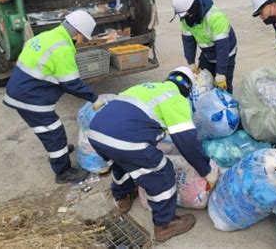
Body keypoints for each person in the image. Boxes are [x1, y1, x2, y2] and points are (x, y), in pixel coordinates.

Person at [87, 67, 219, 242]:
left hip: (96, 132)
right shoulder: (176, 99)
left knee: (122, 161)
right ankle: (165, 224)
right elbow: (187, 141)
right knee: (162, 172)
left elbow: (134, 117)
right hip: (123, 138)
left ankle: (123, 198)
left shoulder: (147, 87)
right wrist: (205, 169)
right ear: (187, 89)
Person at [3, 10, 100, 184]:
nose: (81, 42)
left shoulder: (47, 36)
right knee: (54, 133)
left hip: (21, 89)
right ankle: (63, 171)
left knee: (51, 131)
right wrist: (94, 98)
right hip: (30, 98)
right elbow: (72, 84)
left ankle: (60, 152)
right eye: (83, 38)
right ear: (77, 33)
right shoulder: (62, 48)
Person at [171, 0, 237, 93]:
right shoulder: (186, 19)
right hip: (207, 54)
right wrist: (191, 63)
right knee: (202, 83)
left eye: (186, 14)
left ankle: (227, 105)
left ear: (193, 7)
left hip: (226, 54)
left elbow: (222, 48)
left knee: (223, 87)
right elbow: (188, 42)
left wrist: (220, 73)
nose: (185, 19)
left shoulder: (216, 17)